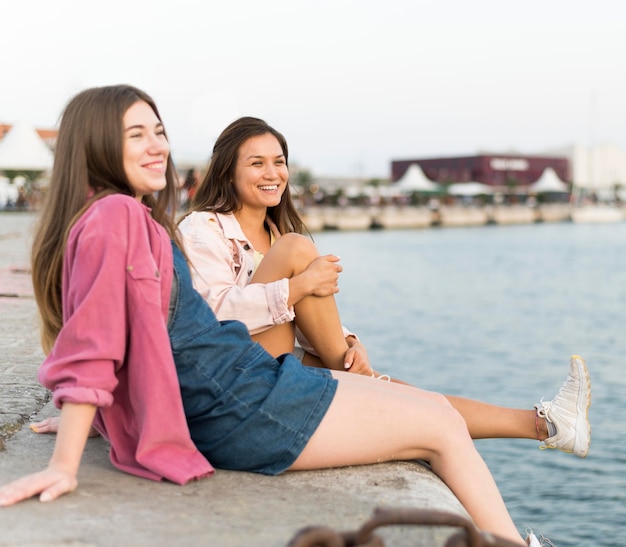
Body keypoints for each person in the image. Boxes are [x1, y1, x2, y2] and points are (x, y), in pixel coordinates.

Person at [0, 84, 554, 546]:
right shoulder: (119, 216)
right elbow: (95, 343)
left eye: (160, 131)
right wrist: (65, 463)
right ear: (95, 146)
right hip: (235, 403)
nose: (157, 147)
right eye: (136, 134)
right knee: (439, 425)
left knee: (433, 411)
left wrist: (101, 418)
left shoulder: (121, 217)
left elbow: (134, 331)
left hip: (245, 380)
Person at [178, 116, 592, 456]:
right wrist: (297, 286)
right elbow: (212, 316)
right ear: (228, 171)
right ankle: (362, 378)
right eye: (256, 163)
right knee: (298, 251)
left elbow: (298, 318)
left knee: (414, 402)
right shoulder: (203, 228)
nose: (273, 173)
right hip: (237, 375)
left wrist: (349, 343)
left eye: (279, 161)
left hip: (284, 363)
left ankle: (545, 424)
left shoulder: (278, 231)